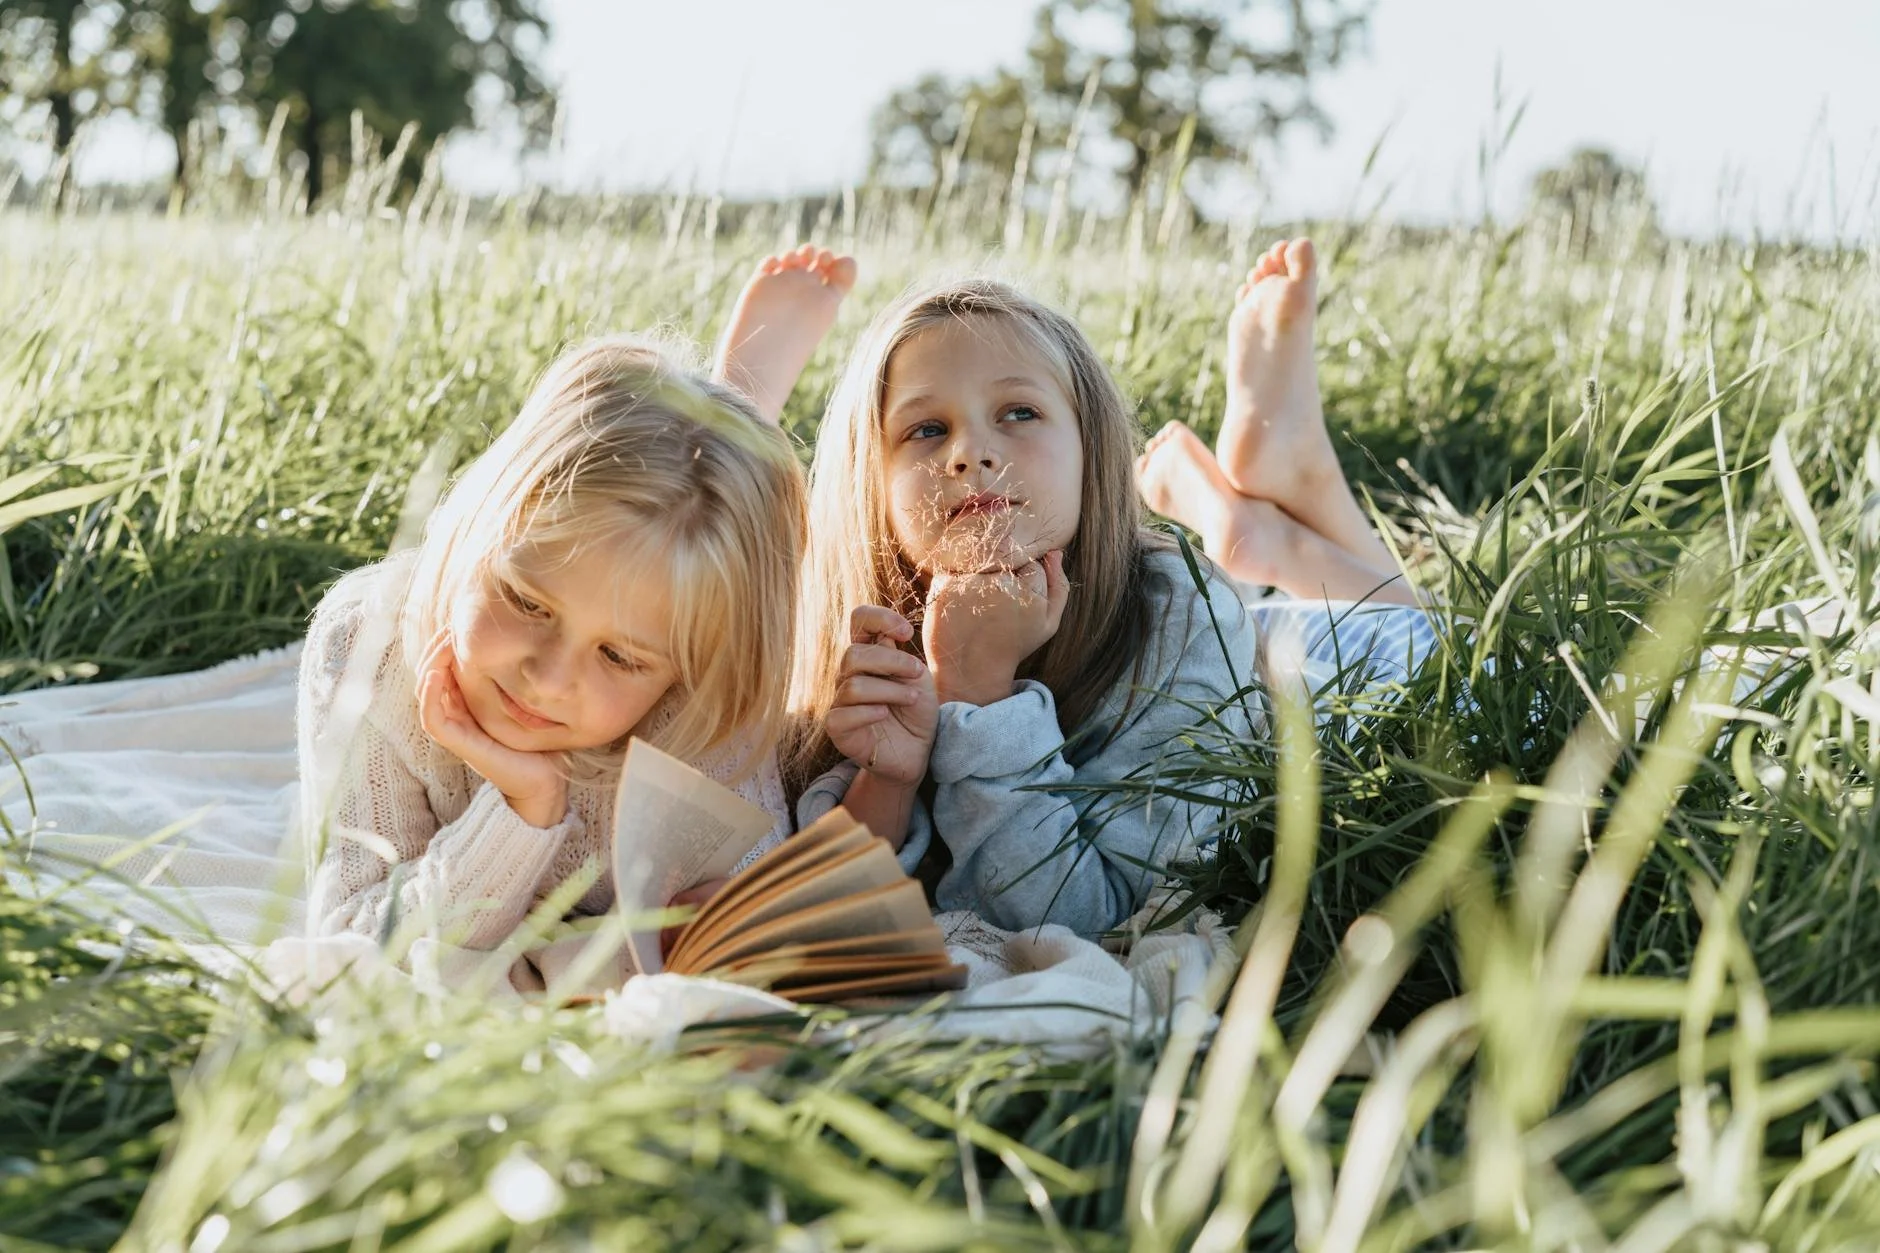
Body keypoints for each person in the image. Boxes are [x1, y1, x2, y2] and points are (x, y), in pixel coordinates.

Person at [305, 245, 855, 949]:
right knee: (670, 532)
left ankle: (737, 412)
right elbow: (353, 939)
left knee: (715, 544)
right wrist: (523, 810)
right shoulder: (368, 644)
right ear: (478, 527)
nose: (550, 678)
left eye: (619, 657)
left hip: (700, 600)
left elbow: (738, 921)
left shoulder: (702, 688)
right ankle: (733, 408)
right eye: (528, 602)